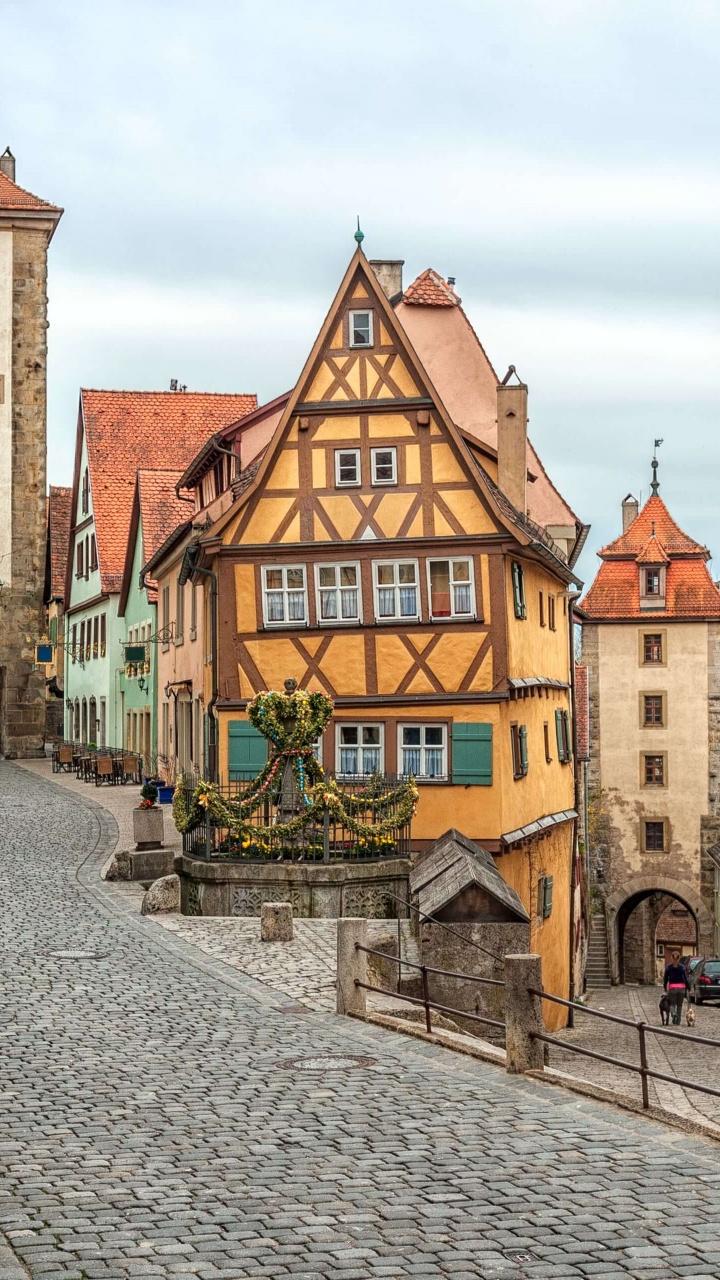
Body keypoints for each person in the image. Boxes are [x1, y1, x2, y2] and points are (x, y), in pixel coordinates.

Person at [663, 951, 689, 1025]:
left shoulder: (668, 967)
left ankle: (674, 1014)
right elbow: (685, 978)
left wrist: (665, 986)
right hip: (681, 988)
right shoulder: (682, 967)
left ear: (671, 958)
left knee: (672, 1004)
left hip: (673, 988)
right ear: (679, 958)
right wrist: (688, 987)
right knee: (679, 1005)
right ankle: (678, 1021)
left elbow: (665, 979)